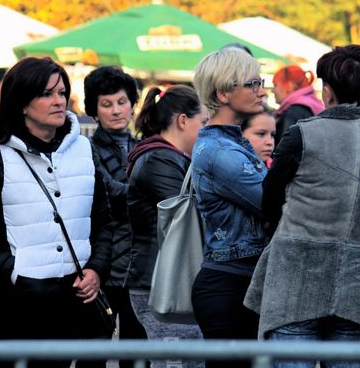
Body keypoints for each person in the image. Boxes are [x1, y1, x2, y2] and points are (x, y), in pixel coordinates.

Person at [244, 45, 360, 368]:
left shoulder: (304, 134)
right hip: (358, 288)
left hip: (295, 282)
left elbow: (270, 196)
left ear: (329, 92)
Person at [0, 57, 113, 367]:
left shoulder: (85, 149)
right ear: (21, 103)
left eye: (61, 92)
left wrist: (96, 268)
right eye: (46, 94)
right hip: (20, 306)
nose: (59, 101)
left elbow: (102, 220)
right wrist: (14, 272)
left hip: (78, 298)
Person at [191, 47, 269, 368]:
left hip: (238, 280)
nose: (261, 90)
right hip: (229, 285)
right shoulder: (221, 151)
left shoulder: (232, 141)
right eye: (251, 84)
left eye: (259, 81)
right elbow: (272, 203)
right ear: (223, 93)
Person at [126, 85, 208, 368]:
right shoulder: (159, 159)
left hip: (167, 280)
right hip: (160, 284)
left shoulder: (167, 157)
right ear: (183, 121)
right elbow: (189, 214)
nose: (206, 131)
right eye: (204, 123)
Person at [83, 66, 148, 366]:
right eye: (106, 104)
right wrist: (144, 196)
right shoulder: (86, 148)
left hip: (138, 264)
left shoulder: (142, 146)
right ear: (93, 110)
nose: (116, 110)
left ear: (133, 103)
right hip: (103, 262)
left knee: (137, 350)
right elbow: (107, 193)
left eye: (122, 102)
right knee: (95, 347)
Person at [272, 65, 325, 145]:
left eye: (275, 85)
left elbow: (288, 149)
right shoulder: (312, 104)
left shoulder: (294, 111)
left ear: (288, 86)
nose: (273, 90)